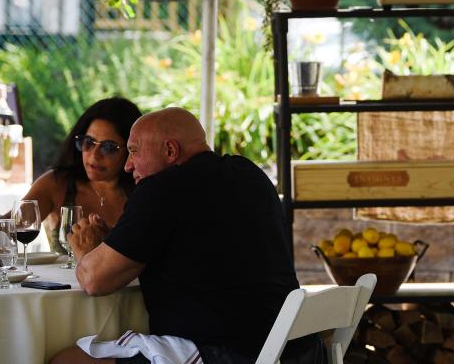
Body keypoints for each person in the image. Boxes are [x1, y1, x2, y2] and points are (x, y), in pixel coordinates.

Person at [50, 107, 322, 364]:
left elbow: (93, 281)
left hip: (229, 352)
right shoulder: (251, 175)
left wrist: (86, 250)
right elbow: (200, 249)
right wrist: (114, 245)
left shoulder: (160, 190)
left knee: (66, 360)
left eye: (134, 152)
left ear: (170, 150)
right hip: (296, 347)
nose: (128, 166)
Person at [22, 97, 142, 253]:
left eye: (108, 147)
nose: (94, 156)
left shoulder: (144, 191)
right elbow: (11, 225)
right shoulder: (57, 183)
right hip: (58, 279)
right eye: (89, 142)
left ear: (131, 150)